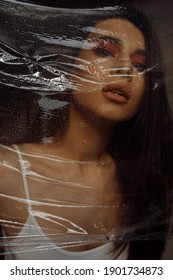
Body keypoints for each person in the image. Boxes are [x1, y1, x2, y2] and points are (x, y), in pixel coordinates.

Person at [0, 2, 172, 260]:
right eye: (104, 50)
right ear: (68, 66)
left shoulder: (139, 184)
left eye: (139, 65)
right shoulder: (7, 172)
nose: (125, 69)